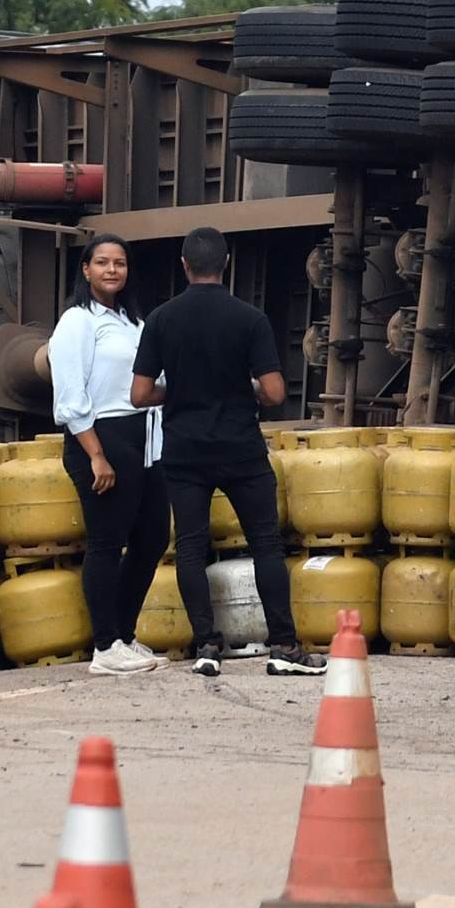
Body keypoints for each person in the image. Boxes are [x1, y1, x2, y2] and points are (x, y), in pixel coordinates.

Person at [130, 227, 318, 677]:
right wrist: (243, 386)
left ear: (184, 264)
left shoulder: (161, 319)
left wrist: (178, 392)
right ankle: (284, 646)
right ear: (226, 263)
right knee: (266, 545)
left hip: (184, 451)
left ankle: (206, 647)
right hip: (241, 450)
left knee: (192, 548)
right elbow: (273, 392)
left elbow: (138, 395)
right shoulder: (249, 318)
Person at [51, 234, 170, 677]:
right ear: (86, 270)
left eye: (119, 263)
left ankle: (124, 633)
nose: (111, 270)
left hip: (145, 439)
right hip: (101, 436)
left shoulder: (133, 322)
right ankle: (104, 646)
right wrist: (96, 455)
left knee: (153, 536)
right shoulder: (77, 322)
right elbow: (69, 397)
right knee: (106, 541)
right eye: (102, 263)